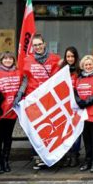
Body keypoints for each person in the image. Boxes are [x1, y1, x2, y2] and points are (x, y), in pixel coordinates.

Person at [15, 33, 61, 169]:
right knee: (37, 131)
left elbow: (58, 78)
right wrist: (19, 95)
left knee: (50, 129)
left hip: (49, 101)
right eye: (35, 45)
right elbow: (25, 80)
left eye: (40, 44)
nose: (38, 47)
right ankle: (38, 158)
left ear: (44, 44)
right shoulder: (28, 60)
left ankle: (52, 157)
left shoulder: (54, 59)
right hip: (33, 101)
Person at [0, 51, 20, 174]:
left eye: (10, 59)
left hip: (12, 111)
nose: (8, 61)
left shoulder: (18, 73)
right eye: (5, 58)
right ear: (1, 60)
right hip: (0, 111)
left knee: (8, 137)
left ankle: (5, 160)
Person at [60, 47, 81, 167]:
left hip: (77, 105)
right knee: (66, 131)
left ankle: (75, 154)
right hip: (64, 104)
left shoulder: (80, 70)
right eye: (68, 56)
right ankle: (67, 154)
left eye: (72, 56)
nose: (70, 59)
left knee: (76, 131)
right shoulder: (61, 70)